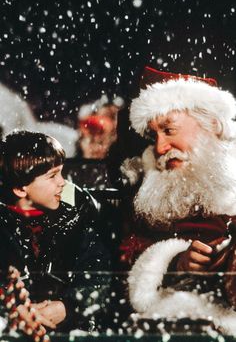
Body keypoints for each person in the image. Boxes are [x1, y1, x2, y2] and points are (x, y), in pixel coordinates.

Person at [122, 67, 236, 334]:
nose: (160, 146)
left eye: (169, 130)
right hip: (167, 326)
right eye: (154, 135)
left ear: (211, 125)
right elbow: (127, 256)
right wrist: (175, 263)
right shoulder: (148, 193)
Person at [0, 130, 111, 334]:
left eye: (61, 172)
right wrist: (10, 311)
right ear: (20, 188)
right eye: (52, 176)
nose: (63, 182)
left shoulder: (76, 222)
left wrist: (67, 307)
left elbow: (100, 279)